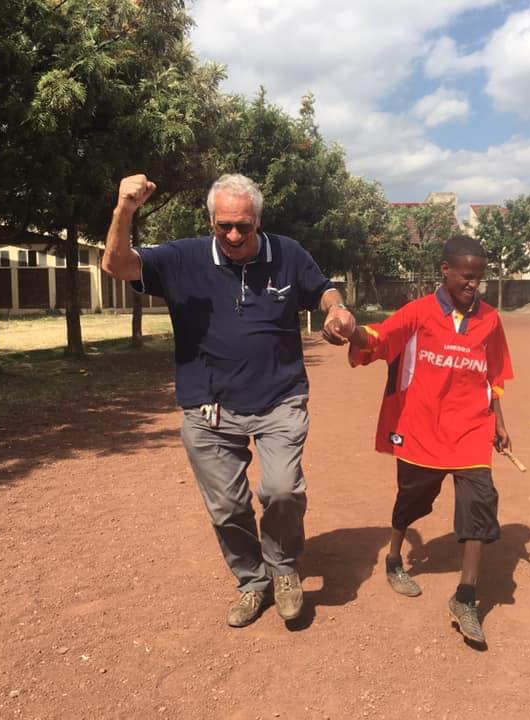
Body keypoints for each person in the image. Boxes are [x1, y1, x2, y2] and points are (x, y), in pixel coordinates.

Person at [102, 173, 355, 628]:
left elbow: (322, 288)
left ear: (258, 220)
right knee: (227, 505)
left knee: (282, 490)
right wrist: (125, 211)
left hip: (280, 398)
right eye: (224, 227)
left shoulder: (287, 252)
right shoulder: (183, 258)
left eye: (244, 226)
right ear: (211, 222)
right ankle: (252, 581)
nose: (234, 236)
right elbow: (116, 266)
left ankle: (282, 569)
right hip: (208, 406)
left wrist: (336, 309)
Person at [346, 235, 514, 646]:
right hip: (421, 427)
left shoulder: (490, 319)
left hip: (472, 427)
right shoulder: (419, 313)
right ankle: (393, 557)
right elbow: (380, 339)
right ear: (445, 270)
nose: (474, 285)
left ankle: (466, 597)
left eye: (480, 278)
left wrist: (499, 422)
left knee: (480, 501)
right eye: (467, 277)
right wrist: (350, 331)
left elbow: (492, 374)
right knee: (414, 499)